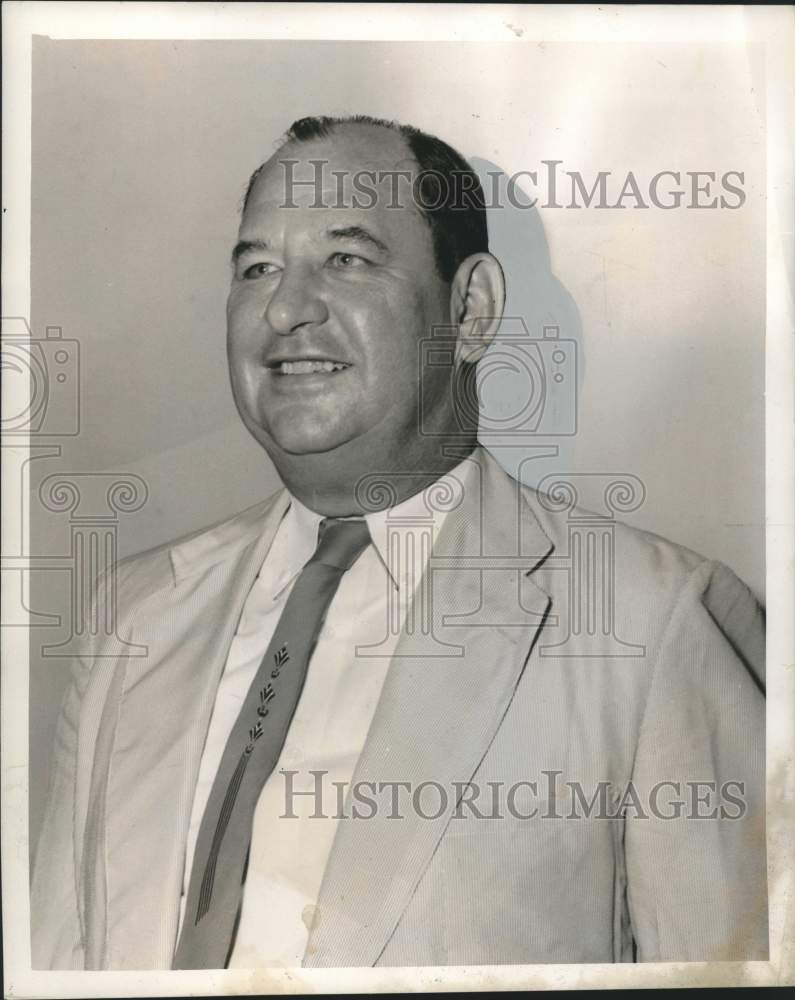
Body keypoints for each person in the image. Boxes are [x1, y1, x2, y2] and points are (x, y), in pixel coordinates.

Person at [31, 115, 767, 970]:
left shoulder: (655, 623)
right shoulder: (132, 614)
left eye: (346, 259)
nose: (285, 308)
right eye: (257, 267)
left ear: (471, 308)